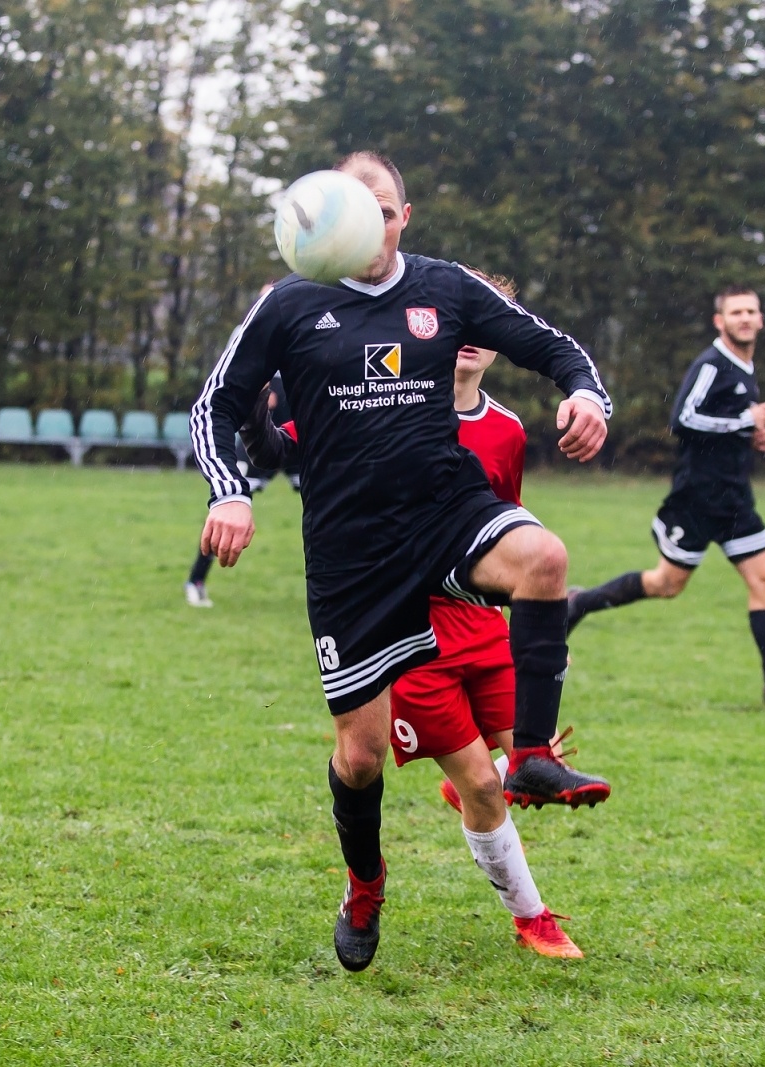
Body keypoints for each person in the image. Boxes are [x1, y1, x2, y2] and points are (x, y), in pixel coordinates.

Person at [193, 150, 613, 972]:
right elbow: (218, 401)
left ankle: (529, 753)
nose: (374, 225)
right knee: (360, 756)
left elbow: (554, 346)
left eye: (385, 210)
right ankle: (365, 880)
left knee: (544, 559)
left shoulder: (444, 287)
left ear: (404, 215)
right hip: (350, 551)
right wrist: (228, 492)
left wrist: (586, 394)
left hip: (443, 509)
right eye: (359, 209)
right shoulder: (290, 302)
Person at [566, 284, 765, 704]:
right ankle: (577, 603)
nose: (744, 318)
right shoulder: (713, 364)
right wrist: (743, 420)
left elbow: (727, 424)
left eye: (751, 311)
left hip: (735, 498)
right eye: (736, 312)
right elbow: (683, 418)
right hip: (697, 498)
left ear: (761, 319)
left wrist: (754, 436)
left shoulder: (745, 365)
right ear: (720, 321)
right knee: (667, 583)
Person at [184, 374, 299, 608]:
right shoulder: (253, 346)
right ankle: (195, 581)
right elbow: (227, 390)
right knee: (227, 516)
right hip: (258, 445)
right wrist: (258, 393)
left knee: (335, 506)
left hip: (302, 439)